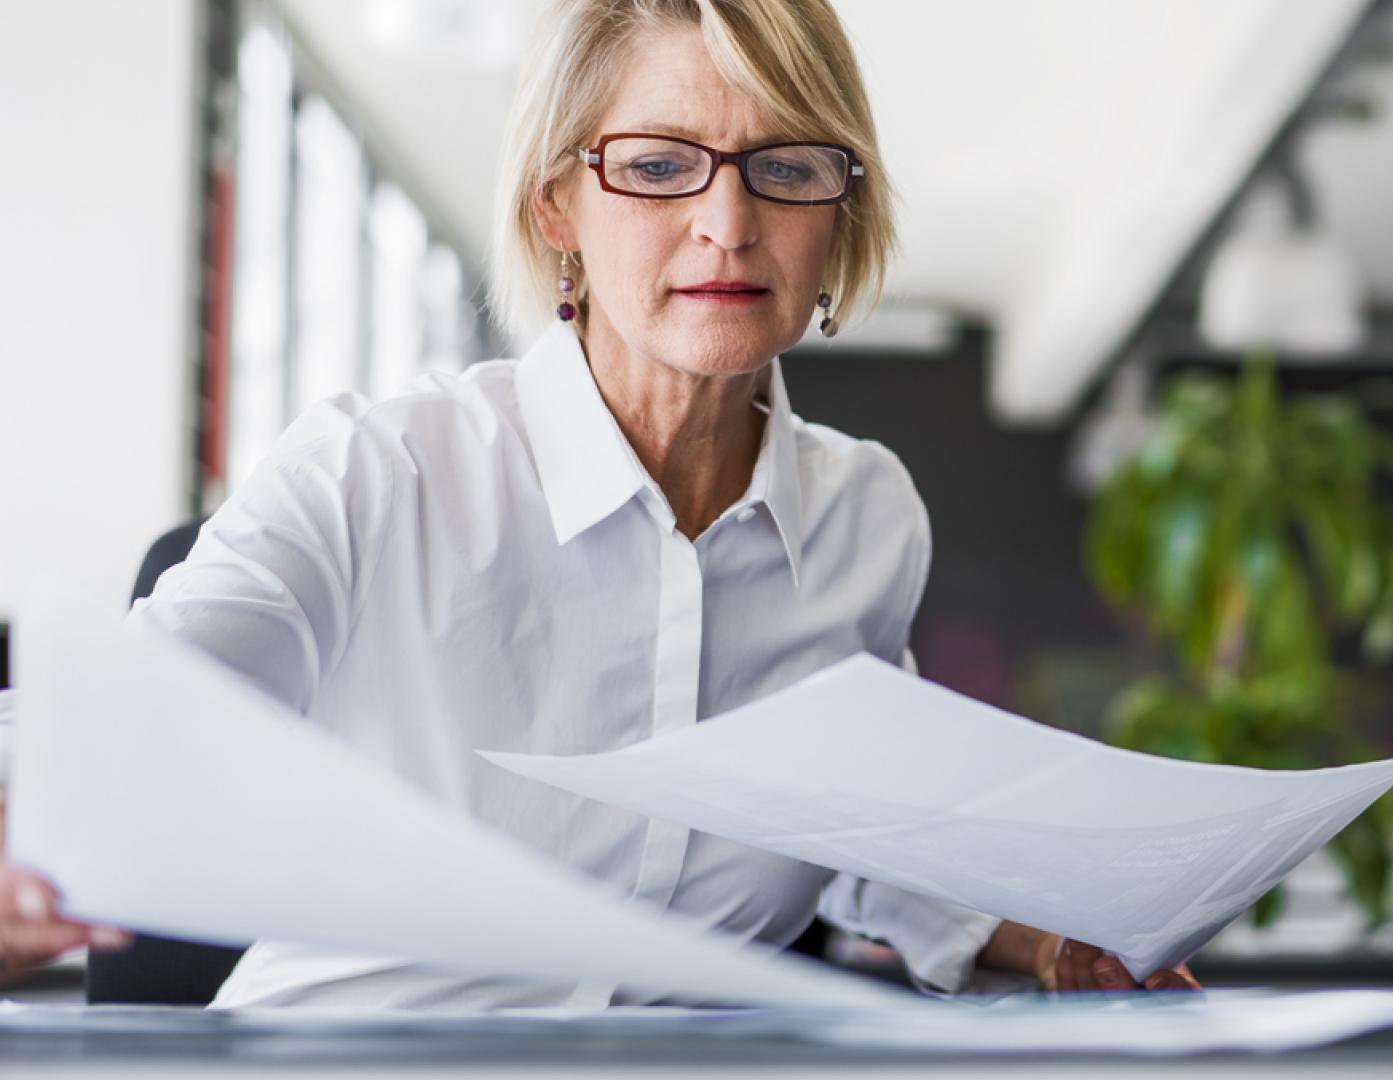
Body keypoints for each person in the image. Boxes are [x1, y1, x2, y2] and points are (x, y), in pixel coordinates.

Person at [0, 0, 1197, 1005]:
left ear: (838, 217)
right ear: (557, 211)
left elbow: (857, 825)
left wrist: (1043, 938)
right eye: (659, 165)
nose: (726, 225)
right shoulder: (382, 474)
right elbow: (109, 720)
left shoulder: (864, 521)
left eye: (784, 168)